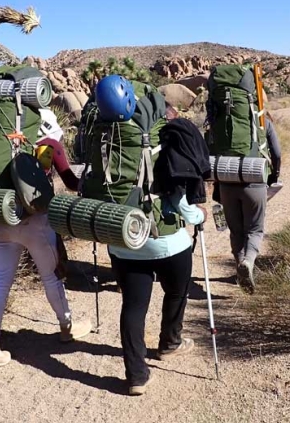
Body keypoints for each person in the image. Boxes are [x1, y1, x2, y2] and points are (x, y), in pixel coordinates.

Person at [89, 77, 207, 396]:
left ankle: (137, 375)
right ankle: (170, 342)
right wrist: (197, 215)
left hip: (123, 235)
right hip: (166, 238)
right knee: (177, 292)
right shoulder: (157, 133)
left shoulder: (100, 133)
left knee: (133, 305)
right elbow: (176, 193)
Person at [0, 109, 92, 374]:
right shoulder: (49, 145)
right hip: (37, 222)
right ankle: (66, 327)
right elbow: (72, 183)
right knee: (51, 277)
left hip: (5, 219)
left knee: (0, 281)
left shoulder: (6, 141)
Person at [217, 113, 281, 293]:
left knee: (236, 231)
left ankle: (240, 267)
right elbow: (276, 153)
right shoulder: (264, 122)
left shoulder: (223, 121)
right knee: (254, 229)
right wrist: (274, 175)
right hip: (254, 181)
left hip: (226, 182)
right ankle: (248, 261)